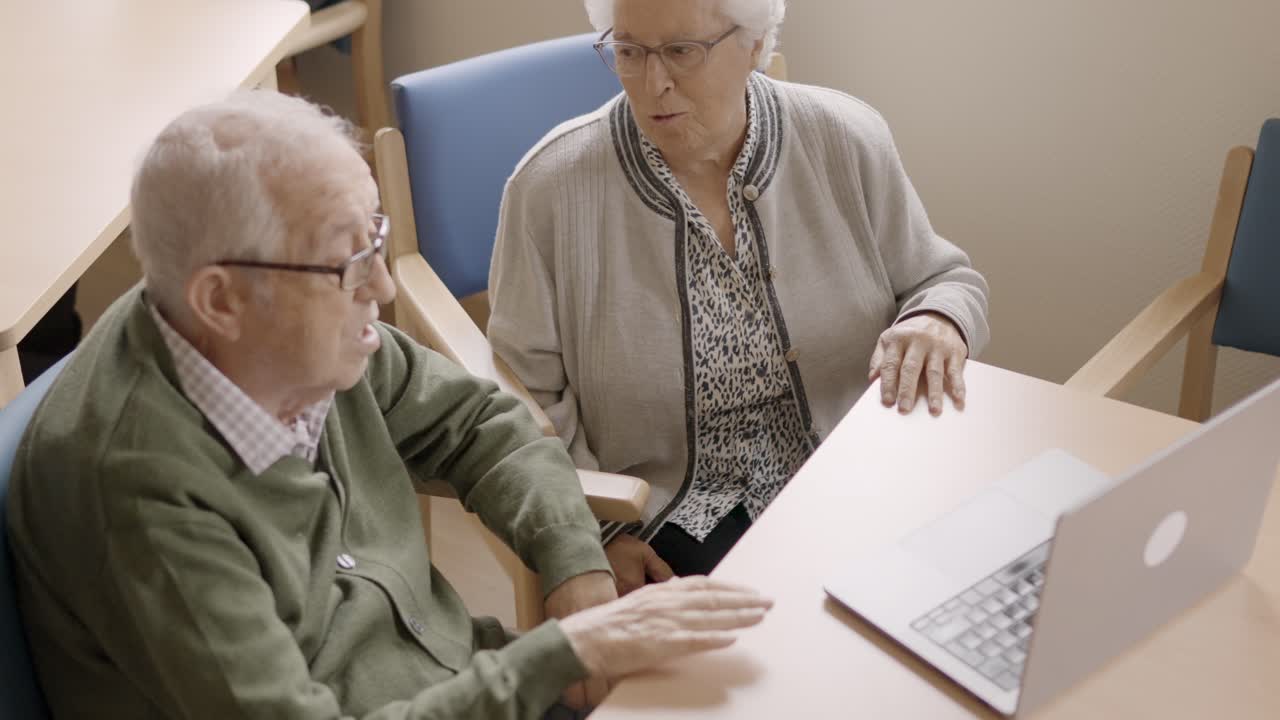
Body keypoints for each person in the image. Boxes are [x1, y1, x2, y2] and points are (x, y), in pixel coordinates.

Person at [5, 91, 771, 720]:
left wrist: (576, 574)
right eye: (350, 259)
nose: (381, 288)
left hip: (463, 683)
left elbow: (484, 426)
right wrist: (565, 656)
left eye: (377, 238)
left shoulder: (289, 334)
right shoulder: (142, 492)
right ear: (222, 300)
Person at [487, 0, 991, 589]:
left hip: (857, 476)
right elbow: (523, 400)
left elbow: (945, 280)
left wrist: (937, 318)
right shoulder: (548, 189)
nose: (654, 83)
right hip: (668, 517)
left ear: (755, 43)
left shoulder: (845, 136)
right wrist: (594, 537)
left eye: (682, 51)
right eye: (628, 51)